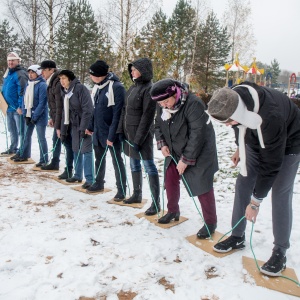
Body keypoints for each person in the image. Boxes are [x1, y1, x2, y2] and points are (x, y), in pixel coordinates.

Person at [207, 82, 300, 276]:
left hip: (290, 139)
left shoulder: (270, 117)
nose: (226, 125)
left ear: (240, 114)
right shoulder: (232, 99)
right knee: (243, 181)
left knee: (280, 192)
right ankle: (237, 236)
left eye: (228, 121)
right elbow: (236, 125)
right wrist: (240, 147)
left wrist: (255, 202)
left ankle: (280, 251)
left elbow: (271, 166)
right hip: (255, 134)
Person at [150, 78, 218, 238]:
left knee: (202, 186)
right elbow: (158, 124)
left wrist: (185, 160)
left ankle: (210, 223)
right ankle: (173, 211)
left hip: (199, 151)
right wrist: (162, 143)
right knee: (170, 179)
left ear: (176, 93)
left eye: (166, 101)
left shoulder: (193, 104)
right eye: (161, 104)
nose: (164, 106)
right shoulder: (162, 104)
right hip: (174, 148)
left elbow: (197, 134)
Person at [117, 58, 160, 216]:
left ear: (143, 71)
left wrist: (138, 140)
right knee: (134, 165)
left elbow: (147, 117)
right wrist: (120, 131)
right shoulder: (132, 88)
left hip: (142, 137)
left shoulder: (149, 89)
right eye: (131, 69)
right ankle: (137, 194)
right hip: (129, 134)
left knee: (149, 167)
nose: (132, 72)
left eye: (135, 69)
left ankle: (156, 203)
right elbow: (124, 110)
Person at [86, 60, 127, 199]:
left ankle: (121, 189)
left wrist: (112, 135)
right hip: (98, 130)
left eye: (92, 74)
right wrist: (90, 126)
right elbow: (95, 109)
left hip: (111, 132)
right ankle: (99, 182)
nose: (91, 77)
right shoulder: (98, 87)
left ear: (98, 75)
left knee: (117, 161)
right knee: (99, 159)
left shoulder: (117, 87)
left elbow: (118, 113)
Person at [59, 70, 94, 189]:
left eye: (63, 78)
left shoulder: (80, 89)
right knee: (76, 149)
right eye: (60, 79)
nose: (61, 81)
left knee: (86, 151)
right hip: (74, 125)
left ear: (70, 79)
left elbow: (88, 109)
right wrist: (63, 130)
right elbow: (65, 112)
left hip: (86, 124)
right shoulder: (65, 92)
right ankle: (78, 175)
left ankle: (90, 179)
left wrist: (84, 127)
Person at [39, 60, 73, 179]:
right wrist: (52, 118)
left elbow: (60, 105)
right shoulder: (51, 81)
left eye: (44, 70)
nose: (42, 72)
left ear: (51, 70)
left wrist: (58, 124)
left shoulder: (58, 82)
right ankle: (55, 161)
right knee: (56, 140)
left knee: (66, 143)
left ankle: (69, 169)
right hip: (58, 118)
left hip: (64, 118)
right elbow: (52, 104)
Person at [11, 65, 48, 165]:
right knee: (26, 135)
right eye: (29, 73)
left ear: (38, 73)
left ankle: (44, 159)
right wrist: (25, 113)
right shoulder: (28, 84)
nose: (30, 75)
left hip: (40, 116)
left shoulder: (42, 85)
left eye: (33, 72)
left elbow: (42, 103)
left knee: (41, 138)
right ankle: (24, 154)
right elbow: (24, 99)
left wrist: (34, 117)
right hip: (28, 114)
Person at [1, 52, 27, 155]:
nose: (10, 62)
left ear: (18, 61)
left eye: (13, 60)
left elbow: (23, 90)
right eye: (9, 60)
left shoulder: (20, 73)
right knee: (12, 130)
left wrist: (20, 106)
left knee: (21, 131)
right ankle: (13, 148)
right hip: (8, 108)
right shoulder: (8, 73)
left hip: (17, 109)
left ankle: (23, 150)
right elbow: (5, 88)